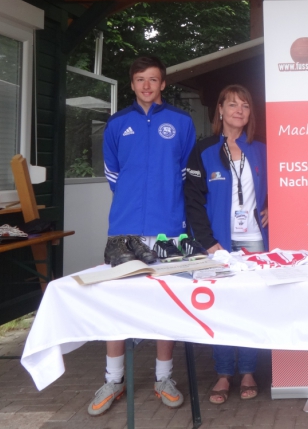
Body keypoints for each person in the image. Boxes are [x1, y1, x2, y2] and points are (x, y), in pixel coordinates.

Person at [88, 56, 198, 416]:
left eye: (153, 79)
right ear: (132, 84)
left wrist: (163, 202)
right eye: (140, 79)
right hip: (125, 229)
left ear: (163, 83)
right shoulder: (118, 123)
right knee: (117, 303)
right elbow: (113, 175)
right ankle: (113, 379)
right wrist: (134, 202)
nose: (147, 85)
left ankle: (164, 378)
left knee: (168, 302)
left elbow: (184, 172)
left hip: (169, 229)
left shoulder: (181, 122)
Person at [184, 84, 269, 405]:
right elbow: (192, 200)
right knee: (220, 305)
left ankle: (247, 371)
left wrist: (275, 206)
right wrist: (208, 242)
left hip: (255, 240)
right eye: (232, 104)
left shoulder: (261, 149)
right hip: (218, 242)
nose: (238, 110)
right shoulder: (203, 150)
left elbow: (281, 183)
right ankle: (223, 372)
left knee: (250, 305)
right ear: (219, 110)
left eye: (244, 106)